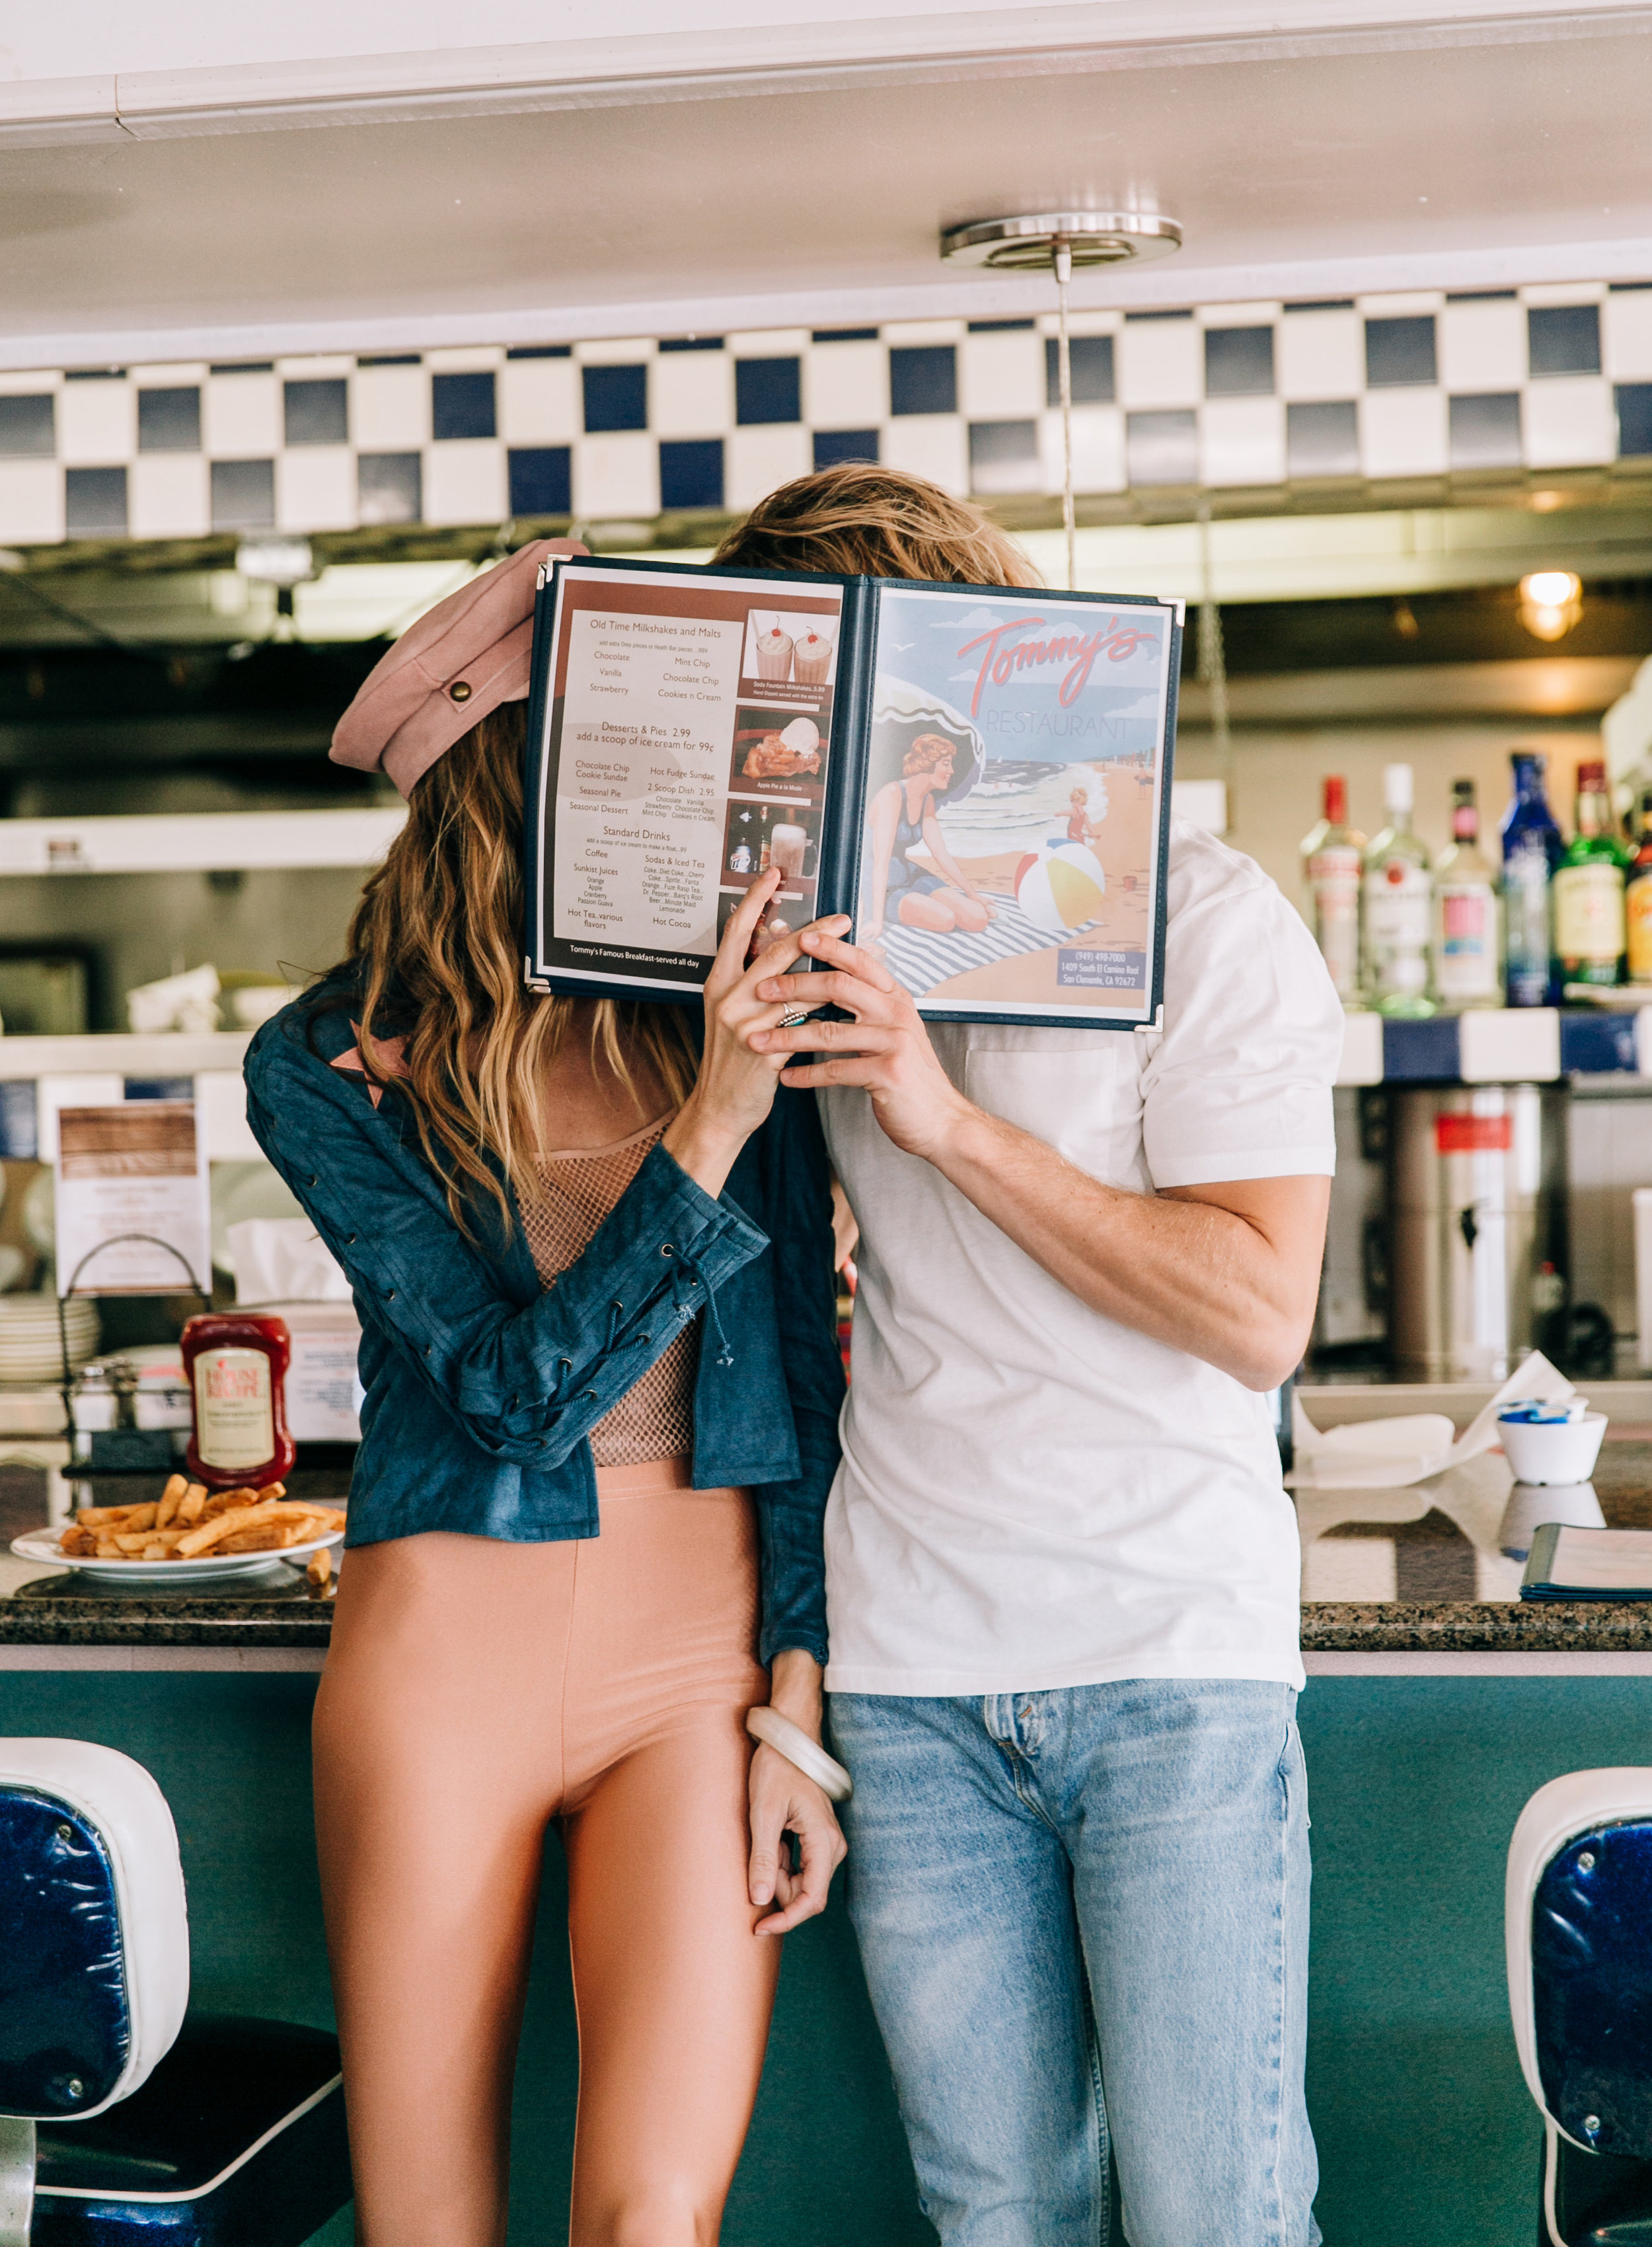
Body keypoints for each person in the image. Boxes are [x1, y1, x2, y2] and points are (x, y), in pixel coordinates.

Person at [711, 464, 1341, 2247]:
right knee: (993, 2210)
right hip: (911, 1676)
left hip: (1169, 1657)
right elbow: (766, 1334)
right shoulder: (795, 963)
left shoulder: (1204, 916)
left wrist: (941, 1117)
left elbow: (1252, 1309)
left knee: (1216, 2213)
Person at [243, 540, 848, 2247]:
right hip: (446, 1659)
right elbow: (518, 1396)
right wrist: (712, 1128)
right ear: (517, 798)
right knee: (426, 2221)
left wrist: (795, 1694)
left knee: (654, 2215)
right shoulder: (327, 1064)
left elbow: (801, 1365)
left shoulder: (727, 1015)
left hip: (698, 1670)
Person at [862, 732, 993, 941]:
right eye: (946, 764)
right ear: (928, 763)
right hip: (881, 881)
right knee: (945, 919)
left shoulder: (927, 800)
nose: (951, 771)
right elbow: (880, 862)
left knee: (977, 918)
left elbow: (941, 853)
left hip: (909, 872)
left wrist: (972, 893)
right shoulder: (892, 795)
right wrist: (875, 920)